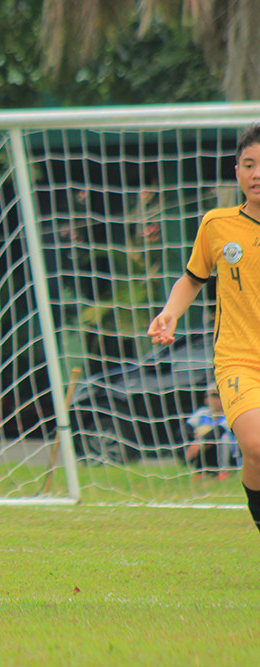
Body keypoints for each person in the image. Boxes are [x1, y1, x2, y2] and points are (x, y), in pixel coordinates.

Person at [147, 122, 260, 534]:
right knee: (255, 444)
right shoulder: (217, 224)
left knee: (256, 455)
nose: (257, 173)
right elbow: (192, 279)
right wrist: (170, 312)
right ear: (236, 171)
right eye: (249, 164)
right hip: (238, 360)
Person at [184, 389, 233, 480]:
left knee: (222, 437)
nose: (214, 400)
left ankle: (224, 471)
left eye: (217, 397)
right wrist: (194, 438)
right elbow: (187, 427)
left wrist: (199, 442)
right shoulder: (201, 413)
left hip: (232, 452)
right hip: (204, 445)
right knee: (196, 438)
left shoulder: (229, 413)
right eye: (211, 397)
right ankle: (201, 471)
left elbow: (219, 431)